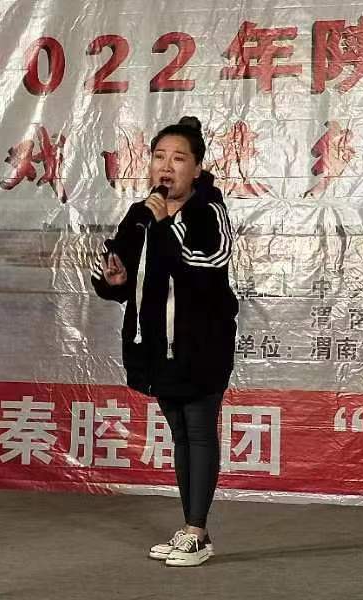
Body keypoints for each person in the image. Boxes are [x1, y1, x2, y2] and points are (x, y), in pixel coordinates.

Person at [91, 116, 238, 567]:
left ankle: (197, 531)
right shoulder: (141, 214)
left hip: (201, 345)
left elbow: (205, 265)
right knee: (180, 435)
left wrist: (161, 226)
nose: (166, 167)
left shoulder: (208, 211)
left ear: (197, 168)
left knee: (199, 430)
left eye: (178, 159)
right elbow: (124, 278)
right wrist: (114, 278)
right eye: (159, 157)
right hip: (156, 345)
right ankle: (194, 530)